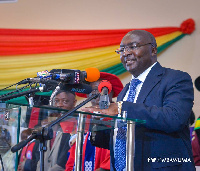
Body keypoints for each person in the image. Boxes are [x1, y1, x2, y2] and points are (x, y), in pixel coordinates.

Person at [82, 30, 195, 170]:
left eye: (133, 46)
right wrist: (94, 122)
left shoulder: (175, 79)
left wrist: (121, 108)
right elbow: (119, 140)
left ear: (153, 50)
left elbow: (174, 118)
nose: (126, 53)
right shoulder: (125, 91)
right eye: (122, 49)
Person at [65, 72, 123, 171]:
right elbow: (73, 155)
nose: (96, 94)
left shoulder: (119, 117)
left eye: (101, 90)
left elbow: (121, 150)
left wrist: (104, 169)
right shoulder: (84, 119)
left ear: (111, 92)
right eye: (92, 91)